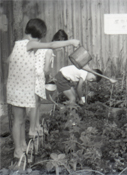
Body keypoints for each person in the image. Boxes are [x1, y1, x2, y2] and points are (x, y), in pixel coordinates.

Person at [6, 18, 80, 159]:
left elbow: (9, 60)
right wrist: (71, 42)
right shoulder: (30, 43)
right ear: (40, 33)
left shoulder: (18, 44)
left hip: (18, 86)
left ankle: (21, 146)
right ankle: (18, 150)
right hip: (20, 87)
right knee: (19, 120)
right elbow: (51, 45)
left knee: (20, 120)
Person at [29, 29, 69, 138]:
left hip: (35, 75)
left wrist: (47, 76)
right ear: (58, 41)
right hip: (36, 77)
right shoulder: (49, 50)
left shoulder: (46, 48)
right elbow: (46, 69)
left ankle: (36, 126)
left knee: (37, 103)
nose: (62, 48)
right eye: (62, 45)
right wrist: (49, 77)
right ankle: (32, 130)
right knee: (35, 104)